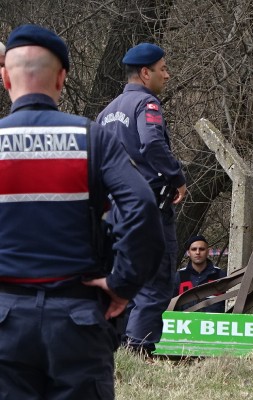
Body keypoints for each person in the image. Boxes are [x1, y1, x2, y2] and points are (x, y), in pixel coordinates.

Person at [0, 24, 163, 399]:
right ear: (62, 77)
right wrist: (123, 284)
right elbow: (142, 206)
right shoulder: (93, 139)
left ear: (6, 78)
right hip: (77, 320)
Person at [97, 42, 187, 355]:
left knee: (125, 278)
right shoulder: (146, 104)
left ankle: (120, 347)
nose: (168, 74)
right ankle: (140, 348)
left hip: (117, 212)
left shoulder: (106, 113)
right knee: (157, 280)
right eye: (163, 69)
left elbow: (96, 162)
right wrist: (177, 177)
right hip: (150, 208)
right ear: (146, 73)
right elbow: (151, 144)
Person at [173, 235, 227, 313]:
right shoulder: (179, 276)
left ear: (208, 251)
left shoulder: (220, 275)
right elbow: (170, 306)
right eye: (194, 249)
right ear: (188, 252)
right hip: (185, 323)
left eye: (201, 249)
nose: (198, 252)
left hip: (212, 323)